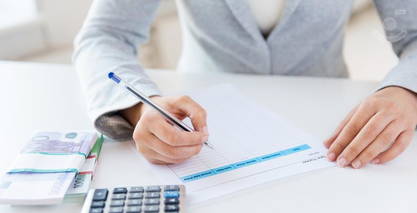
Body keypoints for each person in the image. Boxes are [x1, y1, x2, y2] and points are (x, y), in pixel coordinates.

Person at [74, 0, 417, 168]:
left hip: (328, 126)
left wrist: (405, 89)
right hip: (201, 130)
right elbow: (104, 35)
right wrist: (140, 106)